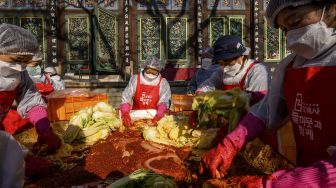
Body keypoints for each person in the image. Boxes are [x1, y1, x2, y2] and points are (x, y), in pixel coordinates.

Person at [199, 0, 336, 187]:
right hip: (303, 165)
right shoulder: (289, 65)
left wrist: (276, 183)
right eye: (285, 30)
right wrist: (231, 143)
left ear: (331, 8)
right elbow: (268, 109)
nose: (291, 37)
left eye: (295, 21)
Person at [0, 23, 61, 153]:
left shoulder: (20, 74)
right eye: (17, 59)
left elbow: (30, 99)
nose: (21, 66)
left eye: (25, 61)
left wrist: (43, 128)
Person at [196, 35, 269, 105]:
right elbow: (209, 85)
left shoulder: (258, 71)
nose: (224, 67)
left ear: (241, 57)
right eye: (220, 63)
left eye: (227, 62)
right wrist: (201, 92)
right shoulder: (221, 72)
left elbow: (255, 100)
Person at [120, 57, 171, 127]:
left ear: (158, 70)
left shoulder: (163, 82)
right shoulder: (135, 79)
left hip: (154, 114)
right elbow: (126, 99)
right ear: (144, 68)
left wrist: (160, 113)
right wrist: (125, 113)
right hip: (136, 114)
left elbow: (164, 101)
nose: (151, 73)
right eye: (148, 70)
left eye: (154, 71)